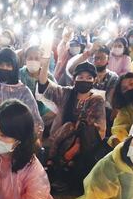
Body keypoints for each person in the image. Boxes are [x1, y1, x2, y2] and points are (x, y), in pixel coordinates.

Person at [37, 61, 107, 190]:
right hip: (60, 139)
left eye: (88, 78)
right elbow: (44, 85)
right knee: (67, 127)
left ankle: (61, 171)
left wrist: (75, 147)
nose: (84, 80)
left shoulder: (97, 100)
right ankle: (53, 168)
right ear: (74, 79)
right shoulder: (66, 94)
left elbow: (98, 128)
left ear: (94, 80)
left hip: (84, 144)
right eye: (80, 77)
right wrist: (45, 61)